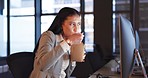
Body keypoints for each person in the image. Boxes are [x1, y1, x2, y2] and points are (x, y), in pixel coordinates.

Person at [29, 7, 85, 78]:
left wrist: (75, 57)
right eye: (72, 24)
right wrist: (68, 42)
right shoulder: (49, 36)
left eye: (79, 24)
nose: (76, 29)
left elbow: (67, 74)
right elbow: (43, 66)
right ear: (62, 25)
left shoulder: (70, 44)